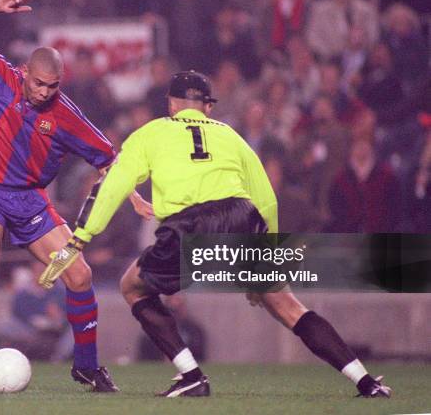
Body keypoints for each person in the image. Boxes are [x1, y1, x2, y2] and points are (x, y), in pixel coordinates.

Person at [40, 70, 392, 398]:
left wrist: (81, 237)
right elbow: (266, 199)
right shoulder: (230, 135)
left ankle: (191, 376)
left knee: (131, 286)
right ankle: (365, 381)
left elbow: (113, 185)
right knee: (287, 305)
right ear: (206, 107)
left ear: (171, 103)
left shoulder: (150, 132)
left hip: (191, 223)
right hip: (242, 215)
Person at [0, 0, 152, 392]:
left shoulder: (66, 115)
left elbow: (109, 159)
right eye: (39, 83)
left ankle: (87, 366)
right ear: (24, 72)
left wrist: (130, 192)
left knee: (79, 275)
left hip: (31, 202)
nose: (44, 92)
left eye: (53, 86)